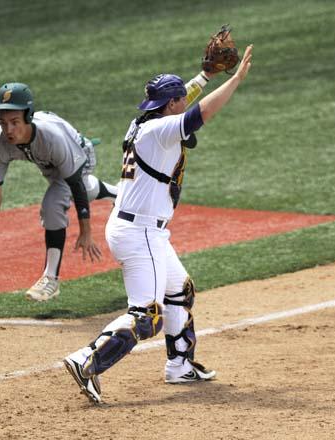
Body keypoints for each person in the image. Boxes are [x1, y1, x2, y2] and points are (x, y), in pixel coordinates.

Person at [63, 45, 254, 404]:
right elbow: (201, 112)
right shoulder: (163, 131)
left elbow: (184, 101)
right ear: (170, 107)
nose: (183, 102)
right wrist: (236, 80)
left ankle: (179, 366)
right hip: (140, 234)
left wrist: (207, 76)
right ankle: (86, 360)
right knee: (147, 316)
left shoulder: (143, 123)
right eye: (179, 99)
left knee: (179, 290)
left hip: (140, 229)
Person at [0, 82, 118, 301]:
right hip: (49, 164)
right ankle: (119, 194)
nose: (8, 130)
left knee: (53, 204)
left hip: (78, 154)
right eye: (3, 123)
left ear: (28, 117)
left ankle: (51, 278)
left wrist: (86, 231)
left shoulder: (51, 138)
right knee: (74, 190)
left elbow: (75, 184)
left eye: (14, 122)